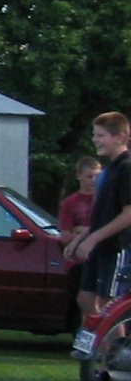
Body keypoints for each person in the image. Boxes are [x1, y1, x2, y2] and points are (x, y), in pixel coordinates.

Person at [66, 112, 131, 319]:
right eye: (95, 135)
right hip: (100, 245)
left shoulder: (127, 167)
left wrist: (93, 239)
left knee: (107, 303)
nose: (95, 140)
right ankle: (99, 339)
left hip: (117, 246)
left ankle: (115, 340)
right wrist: (80, 238)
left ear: (120, 137)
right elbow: (102, 215)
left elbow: (128, 214)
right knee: (85, 298)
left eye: (101, 135)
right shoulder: (110, 170)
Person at [58, 156, 101, 240]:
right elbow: (65, 237)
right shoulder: (69, 202)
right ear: (78, 176)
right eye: (89, 176)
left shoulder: (106, 199)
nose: (94, 180)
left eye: (97, 176)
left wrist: (85, 230)